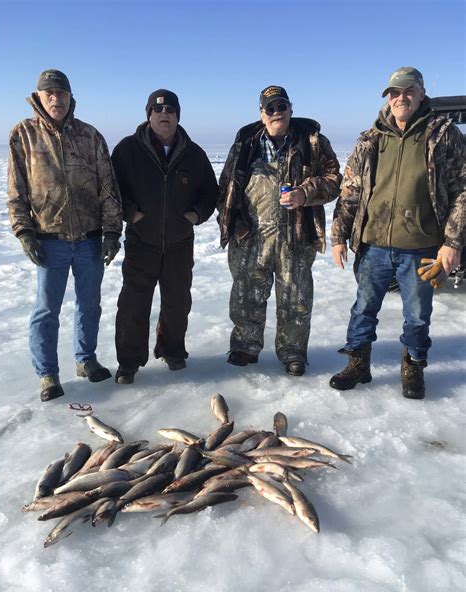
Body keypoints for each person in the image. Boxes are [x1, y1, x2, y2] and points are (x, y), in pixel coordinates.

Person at [330, 67, 464, 399]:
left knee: (417, 315)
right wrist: (338, 236)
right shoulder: (370, 138)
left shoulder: (443, 135)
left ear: (421, 94)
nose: (400, 98)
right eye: (394, 93)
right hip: (372, 245)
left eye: (408, 91)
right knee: (363, 308)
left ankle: (413, 366)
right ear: (387, 98)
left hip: (422, 248)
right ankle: (358, 363)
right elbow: (350, 190)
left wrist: (452, 243)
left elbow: (462, 190)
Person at [8, 69, 123, 402]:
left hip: (89, 238)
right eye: (49, 94)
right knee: (47, 309)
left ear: (71, 97)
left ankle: (85, 360)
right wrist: (24, 232)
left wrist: (112, 231)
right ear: (39, 97)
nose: (56, 99)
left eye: (61, 93)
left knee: (89, 305)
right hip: (49, 239)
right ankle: (47, 374)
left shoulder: (90, 136)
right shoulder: (23, 135)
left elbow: (108, 188)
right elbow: (17, 191)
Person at [218, 86, 341, 376]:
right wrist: (233, 225)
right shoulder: (245, 145)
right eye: (270, 108)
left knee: (295, 297)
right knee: (247, 295)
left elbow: (335, 179)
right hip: (252, 236)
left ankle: (292, 351)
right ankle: (245, 346)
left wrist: (305, 193)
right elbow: (226, 187)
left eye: (281, 106)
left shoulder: (312, 143)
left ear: (290, 109)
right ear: (262, 114)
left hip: (295, 235)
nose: (277, 113)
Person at [111, 89, 218, 384]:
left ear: (177, 115)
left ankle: (172, 350)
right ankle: (129, 363)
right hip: (141, 241)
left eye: (170, 110)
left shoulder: (193, 153)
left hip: (179, 242)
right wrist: (130, 213)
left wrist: (196, 214)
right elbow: (111, 188)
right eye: (158, 110)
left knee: (177, 301)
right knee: (134, 303)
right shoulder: (127, 150)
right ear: (149, 115)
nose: (164, 114)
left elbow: (210, 192)